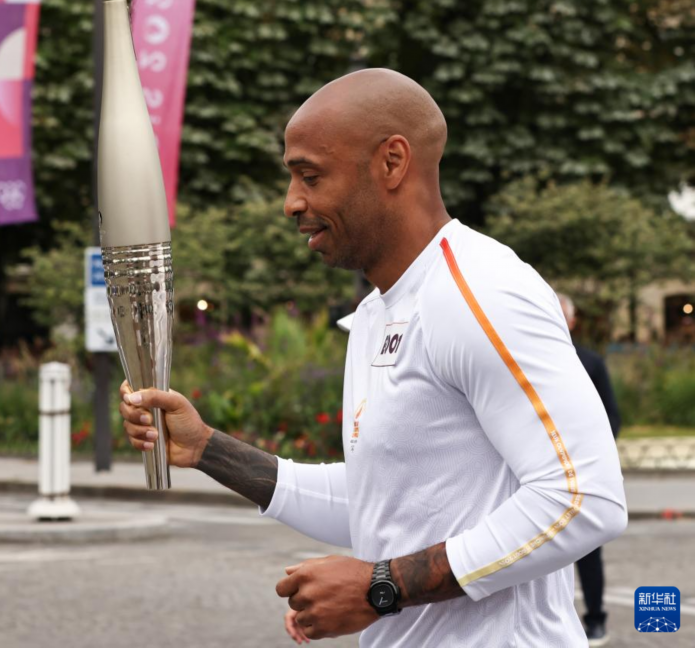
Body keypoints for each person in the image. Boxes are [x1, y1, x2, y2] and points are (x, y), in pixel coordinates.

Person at [119, 69, 627, 647]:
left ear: (392, 162)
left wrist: (379, 587)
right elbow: (382, 501)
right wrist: (207, 449)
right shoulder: (375, 314)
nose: (291, 203)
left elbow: (584, 499)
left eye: (311, 176)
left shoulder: (480, 291)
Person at [558, 293, 621, 647]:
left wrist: (588, 457)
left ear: (572, 321)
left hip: (582, 472)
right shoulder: (524, 357)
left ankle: (596, 619)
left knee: (588, 550)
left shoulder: (590, 362)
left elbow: (611, 417)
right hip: (534, 472)